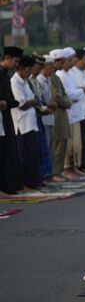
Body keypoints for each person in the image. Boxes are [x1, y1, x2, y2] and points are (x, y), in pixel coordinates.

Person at [10, 55, 41, 190]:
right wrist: (32, 102)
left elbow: (32, 98)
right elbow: (21, 104)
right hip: (21, 125)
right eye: (29, 70)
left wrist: (32, 102)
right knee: (23, 156)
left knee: (32, 155)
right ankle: (24, 183)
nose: (30, 73)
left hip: (30, 123)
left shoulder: (25, 81)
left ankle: (32, 182)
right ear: (22, 68)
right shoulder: (15, 81)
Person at [56, 47, 85, 178]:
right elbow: (70, 95)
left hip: (76, 113)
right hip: (69, 113)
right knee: (69, 144)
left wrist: (80, 91)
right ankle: (68, 169)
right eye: (69, 60)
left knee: (76, 144)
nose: (71, 62)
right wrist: (83, 91)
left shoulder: (69, 74)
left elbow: (75, 92)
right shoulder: (61, 75)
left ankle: (73, 167)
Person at [0, 46, 24, 194]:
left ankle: (10, 187)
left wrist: (8, 103)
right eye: (15, 61)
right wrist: (8, 102)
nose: (16, 65)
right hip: (2, 118)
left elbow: (8, 100)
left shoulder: (5, 74)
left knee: (9, 153)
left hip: (6, 117)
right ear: (7, 58)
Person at [48, 49, 72, 182]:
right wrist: (67, 103)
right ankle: (55, 172)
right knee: (56, 144)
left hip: (62, 112)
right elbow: (56, 96)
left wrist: (67, 102)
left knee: (62, 142)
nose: (63, 64)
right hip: (56, 113)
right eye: (60, 62)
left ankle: (59, 170)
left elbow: (64, 94)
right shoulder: (50, 77)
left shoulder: (56, 77)